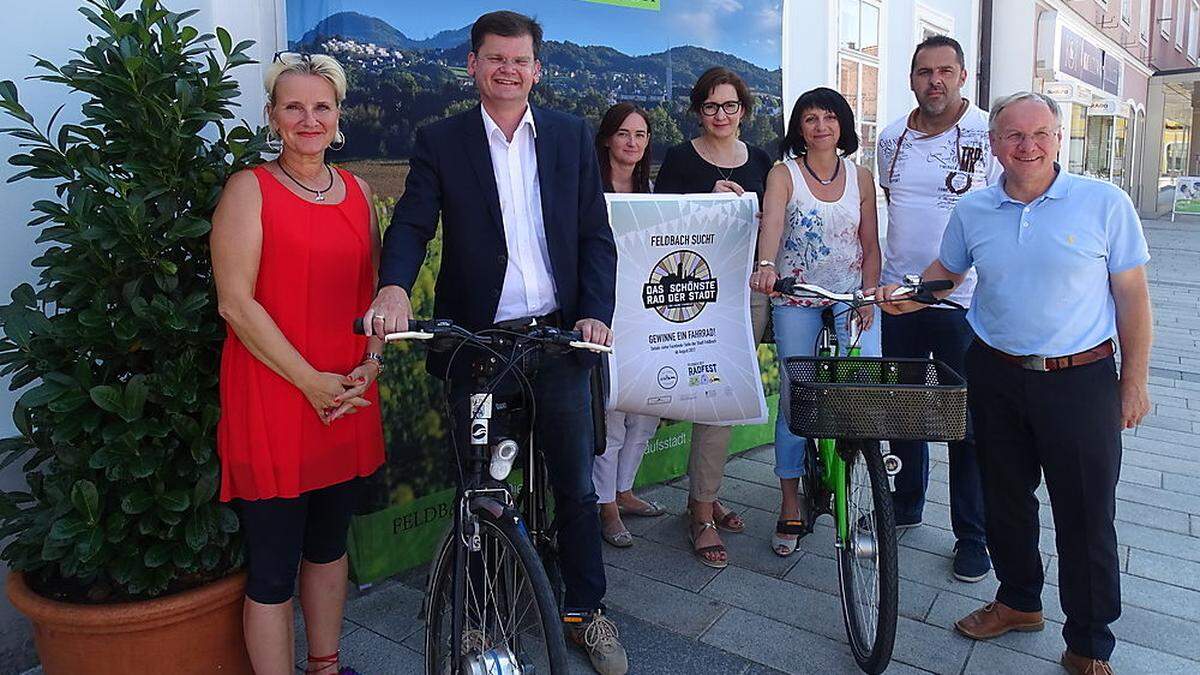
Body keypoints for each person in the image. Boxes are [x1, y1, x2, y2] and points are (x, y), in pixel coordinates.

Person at [360, 12, 626, 675]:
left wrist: (595, 313)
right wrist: (394, 286)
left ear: (538, 69)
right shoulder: (442, 139)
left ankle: (585, 610)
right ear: (472, 65)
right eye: (495, 58)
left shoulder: (567, 136)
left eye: (521, 60)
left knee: (576, 485)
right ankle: (477, 620)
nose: (509, 70)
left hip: (559, 343)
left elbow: (596, 234)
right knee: (484, 488)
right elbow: (414, 221)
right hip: (478, 349)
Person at [879, 91, 1152, 675]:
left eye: (1040, 134)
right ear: (994, 144)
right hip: (995, 374)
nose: (1027, 146)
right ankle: (1018, 600)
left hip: (1079, 381)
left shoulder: (1103, 203)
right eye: (1013, 136)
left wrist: (1134, 382)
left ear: (1059, 138)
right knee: (1003, 499)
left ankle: (1089, 642)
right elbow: (945, 274)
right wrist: (907, 297)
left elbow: (1132, 297)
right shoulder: (974, 210)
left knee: (1084, 513)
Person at [212, 52, 383, 675]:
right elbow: (236, 303)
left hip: (347, 396)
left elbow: (375, 295)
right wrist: (310, 381)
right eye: (293, 106)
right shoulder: (247, 190)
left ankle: (325, 667)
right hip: (277, 396)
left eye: (321, 106)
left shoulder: (360, 192)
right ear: (272, 116)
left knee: (328, 546)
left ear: (338, 117)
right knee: (274, 564)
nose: (308, 118)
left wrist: (372, 363)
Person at [874, 35, 1002, 583]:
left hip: (964, 303)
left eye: (945, 71)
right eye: (925, 71)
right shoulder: (891, 139)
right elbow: (891, 200)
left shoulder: (989, 137)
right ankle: (907, 503)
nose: (935, 81)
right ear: (911, 78)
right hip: (900, 299)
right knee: (904, 409)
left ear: (963, 76)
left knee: (967, 423)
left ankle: (972, 536)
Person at [750, 87, 881, 556]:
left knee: (864, 387)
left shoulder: (861, 177)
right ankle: (790, 501)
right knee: (795, 396)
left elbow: (870, 242)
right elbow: (773, 226)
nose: (821, 126)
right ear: (798, 128)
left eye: (829, 117)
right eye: (810, 118)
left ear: (843, 125)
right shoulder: (784, 174)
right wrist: (767, 266)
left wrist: (867, 295)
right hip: (796, 293)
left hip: (849, 293)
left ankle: (865, 492)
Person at [654, 66, 774, 569]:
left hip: (747, 291)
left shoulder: (763, 161)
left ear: (743, 111)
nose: (721, 115)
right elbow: (659, 228)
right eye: (710, 106)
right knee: (711, 399)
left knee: (724, 401)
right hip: (696, 293)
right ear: (697, 111)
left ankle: (703, 497)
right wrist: (704, 205)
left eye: (729, 106)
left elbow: (773, 226)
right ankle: (701, 512)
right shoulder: (682, 160)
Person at [592, 102, 664, 549]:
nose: (632, 143)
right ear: (606, 139)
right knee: (613, 414)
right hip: (606, 315)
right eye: (624, 134)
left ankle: (625, 489)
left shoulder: (652, 191)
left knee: (647, 409)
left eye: (640, 135)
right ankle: (605, 505)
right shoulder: (588, 191)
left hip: (647, 315)